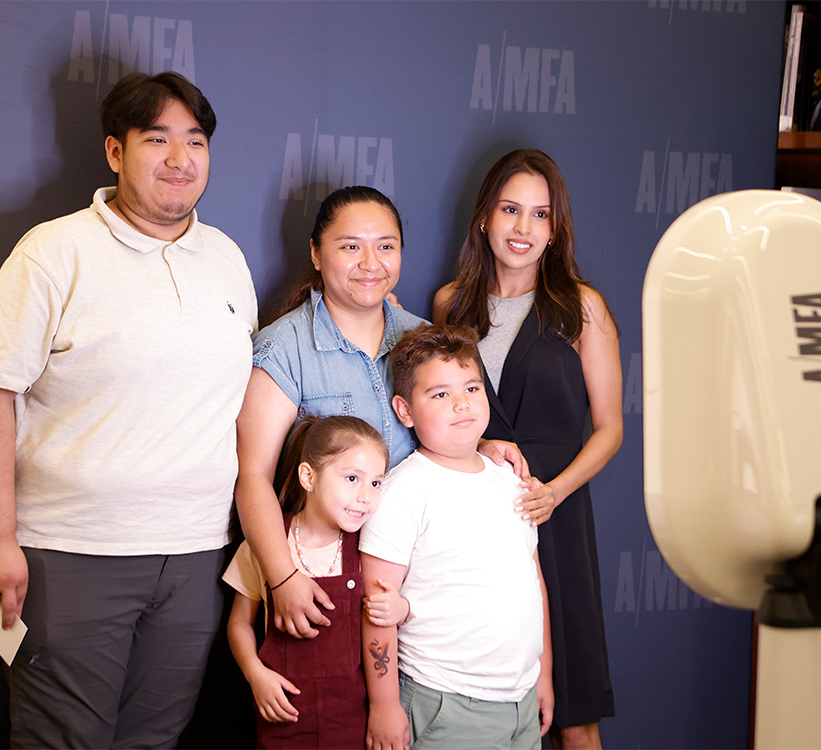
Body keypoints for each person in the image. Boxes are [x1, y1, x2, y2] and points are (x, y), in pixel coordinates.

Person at [0, 71, 258, 748]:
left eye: (195, 140)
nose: (180, 159)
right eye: (158, 139)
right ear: (115, 152)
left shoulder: (227, 259)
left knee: (154, 739)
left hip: (194, 554)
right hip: (70, 553)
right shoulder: (52, 252)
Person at [236, 186, 526, 642]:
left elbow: (440, 430)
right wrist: (283, 576)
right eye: (351, 246)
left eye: (385, 247)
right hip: (322, 580)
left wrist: (481, 446)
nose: (370, 263)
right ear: (315, 253)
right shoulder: (282, 348)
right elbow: (253, 475)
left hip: (412, 583)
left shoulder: (423, 337)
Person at [434, 149, 623, 749]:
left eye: (540, 215)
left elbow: (611, 428)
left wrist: (555, 492)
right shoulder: (450, 304)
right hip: (474, 527)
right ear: (485, 217)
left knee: (573, 715)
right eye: (511, 210)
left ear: (555, 229)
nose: (523, 228)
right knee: (483, 709)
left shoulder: (582, 308)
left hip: (558, 521)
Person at [360, 323, 553, 750]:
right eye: (440, 394)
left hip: (520, 699)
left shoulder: (510, 479)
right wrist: (385, 704)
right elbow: (377, 608)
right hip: (444, 702)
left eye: (471, 388)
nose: (461, 404)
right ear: (405, 410)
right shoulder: (403, 491)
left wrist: (544, 674)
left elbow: (533, 585)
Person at [225, 415, 409, 749]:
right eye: (352, 478)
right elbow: (239, 622)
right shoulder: (267, 544)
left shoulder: (368, 547)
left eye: (376, 483)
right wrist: (255, 674)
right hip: (283, 722)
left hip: (354, 724)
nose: (366, 496)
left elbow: (393, 610)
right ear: (309, 477)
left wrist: (403, 608)